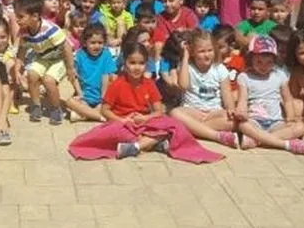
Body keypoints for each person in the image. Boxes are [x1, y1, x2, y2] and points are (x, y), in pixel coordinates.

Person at [67, 42, 223, 163]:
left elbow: (158, 110)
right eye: (132, 63)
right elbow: (105, 110)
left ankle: (136, 147)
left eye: (141, 63)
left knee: (172, 124)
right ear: (124, 64)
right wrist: (123, 120)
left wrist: (145, 118)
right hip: (123, 123)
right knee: (114, 132)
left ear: (146, 64)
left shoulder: (149, 83)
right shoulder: (117, 84)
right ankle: (153, 143)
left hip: (144, 122)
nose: (137, 68)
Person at [234, 36, 304, 155]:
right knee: (243, 125)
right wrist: (241, 111)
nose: (264, 66)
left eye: (269, 62)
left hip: (276, 122)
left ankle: (258, 140)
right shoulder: (244, 77)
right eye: (259, 62)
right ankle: (287, 144)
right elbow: (242, 100)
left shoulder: (279, 76)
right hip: (254, 121)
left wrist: (290, 117)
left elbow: (287, 100)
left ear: (275, 60)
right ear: (251, 59)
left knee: (300, 127)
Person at [170, 29, 238, 148]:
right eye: (201, 51)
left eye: (210, 50)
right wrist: (185, 55)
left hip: (213, 112)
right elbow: (183, 85)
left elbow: (227, 95)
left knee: (234, 120)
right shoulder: (187, 67)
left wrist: (231, 108)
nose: (207, 54)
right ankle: (216, 136)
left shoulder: (220, 69)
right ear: (192, 52)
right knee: (175, 113)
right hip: (193, 111)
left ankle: (195, 130)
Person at [16, 0, 75, 125]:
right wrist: (17, 69)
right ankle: (36, 106)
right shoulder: (24, 31)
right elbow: (22, 50)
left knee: (49, 80)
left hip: (60, 59)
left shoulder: (50, 29)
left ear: (35, 16)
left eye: (21, 16)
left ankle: (56, 109)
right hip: (42, 58)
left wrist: (70, 68)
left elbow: (66, 47)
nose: (17, 20)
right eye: (16, 16)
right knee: (31, 75)